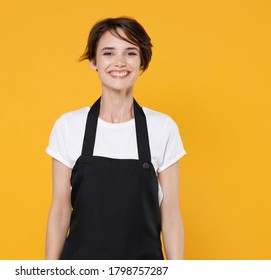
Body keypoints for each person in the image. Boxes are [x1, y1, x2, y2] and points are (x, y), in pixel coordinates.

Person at [45, 17, 186, 260]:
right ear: (93, 61)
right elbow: (60, 209)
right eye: (108, 53)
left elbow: (170, 211)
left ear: (142, 62)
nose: (120, 62)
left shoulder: (163, 128)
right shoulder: (69, 126)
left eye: (130, 52)